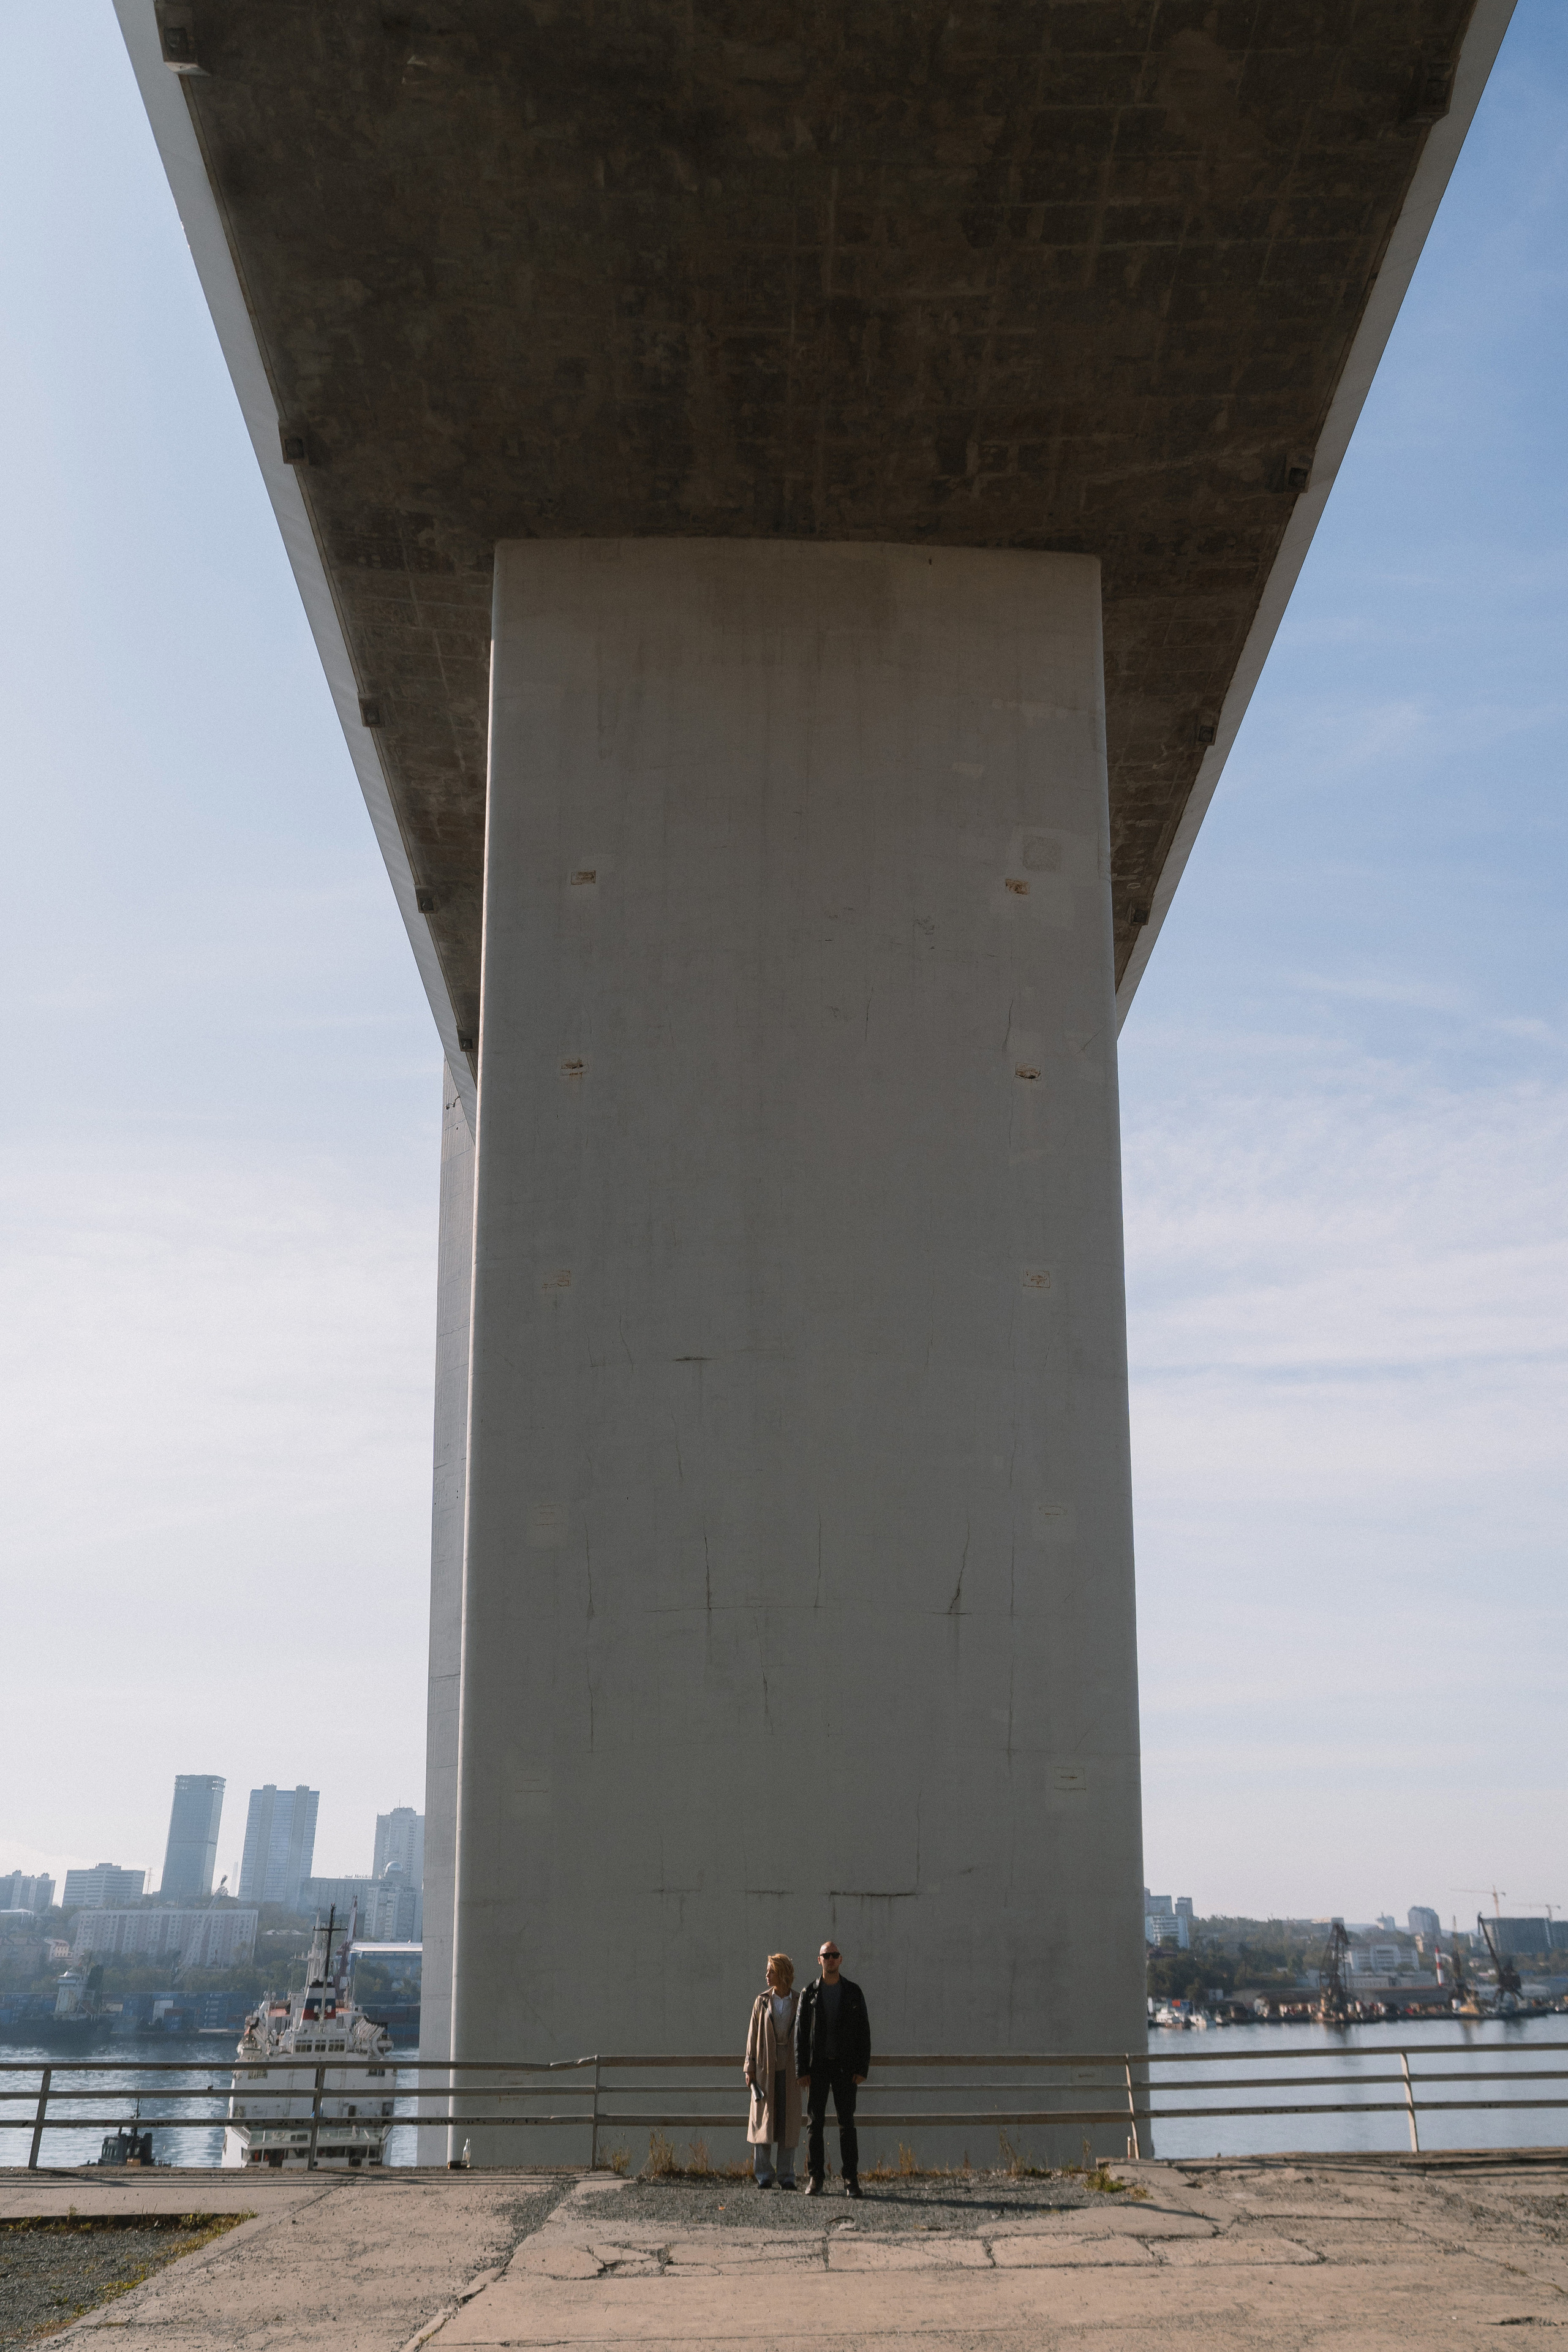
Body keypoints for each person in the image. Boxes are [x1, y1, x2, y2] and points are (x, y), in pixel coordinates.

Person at [794, 1939, 871, 2196]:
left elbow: (864, 2032)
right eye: (826, 1955)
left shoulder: (853, 1992)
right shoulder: (809, 1993)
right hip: (817, 2069)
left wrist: (862, 2068)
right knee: (814, 2125)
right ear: (819, 1960)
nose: (830, 1959)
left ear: (840, 1960)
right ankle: (816, 2178)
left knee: (847, 2124)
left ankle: (851, 2179)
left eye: (834, 1955)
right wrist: (801, 2070)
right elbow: (801, 2035)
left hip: (845, 2069)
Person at [744, 1952, 802, 2189]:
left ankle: (786, 2175)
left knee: (788, 2122)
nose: (767, 1975)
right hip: (765, 2067)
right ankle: (764, 2175)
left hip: (790, 2069)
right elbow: (752, 2036)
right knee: (763, 2123)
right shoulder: (762, 2001)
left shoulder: (799, 2001)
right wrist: (749, 2068)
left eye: (771, 1971)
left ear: (782, 1973)